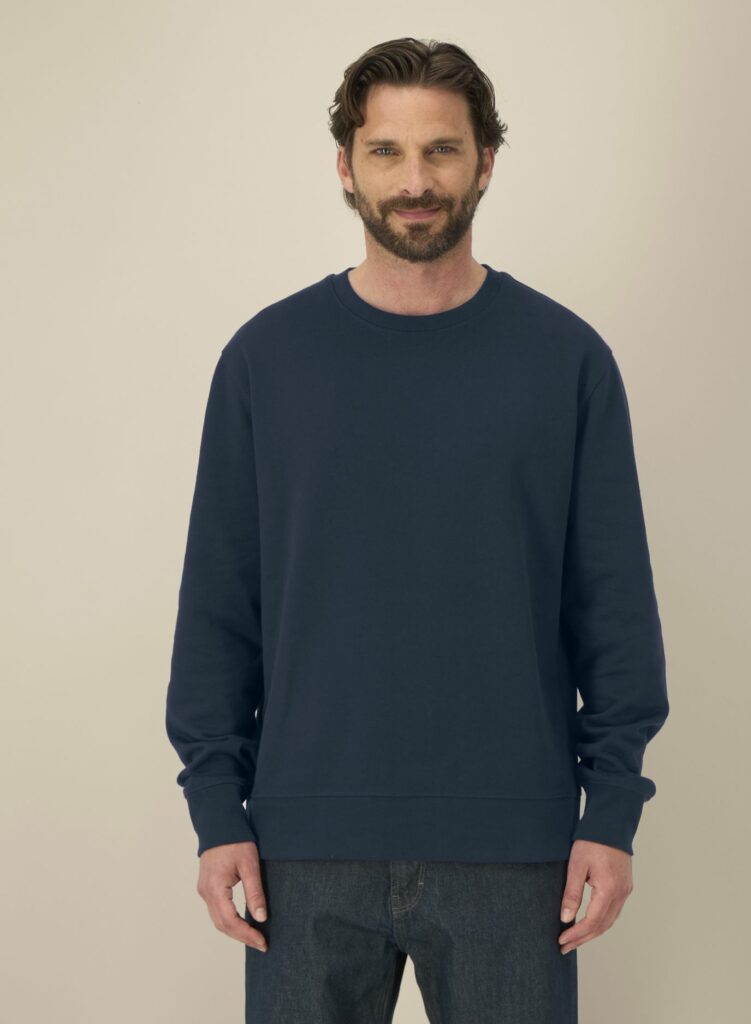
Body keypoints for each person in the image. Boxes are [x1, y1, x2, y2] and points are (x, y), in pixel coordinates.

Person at [165, 36, 670, 1024]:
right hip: (301, 850)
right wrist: (216, 809)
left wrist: (611, 812)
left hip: (513, 850)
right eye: (386, 151)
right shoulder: (267, 360)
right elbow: (221, 603)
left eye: (441, 149)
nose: (414, 181)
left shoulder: (565, 361)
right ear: (345, 166)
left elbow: (612, 606)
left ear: (485, 162)